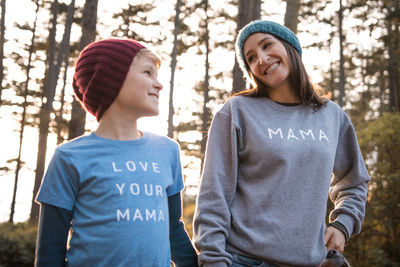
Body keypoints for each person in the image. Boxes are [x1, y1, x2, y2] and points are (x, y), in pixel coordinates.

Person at [193, 20, 370, 267]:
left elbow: (354, 181)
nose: (262, 59)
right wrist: (212, 260)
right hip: (243, 260)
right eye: (251, 57)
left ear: (290, 48)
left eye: (267, 45)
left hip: (313, 261)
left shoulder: (332, 116)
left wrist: (342, 225)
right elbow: (214, 195)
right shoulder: (237, 112)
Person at [35, 38, 198, 267]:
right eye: (147, 73)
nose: (159, 84)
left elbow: (173, 228)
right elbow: (49, 255)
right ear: (110, 80)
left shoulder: (167, 151)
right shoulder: (69, 157)